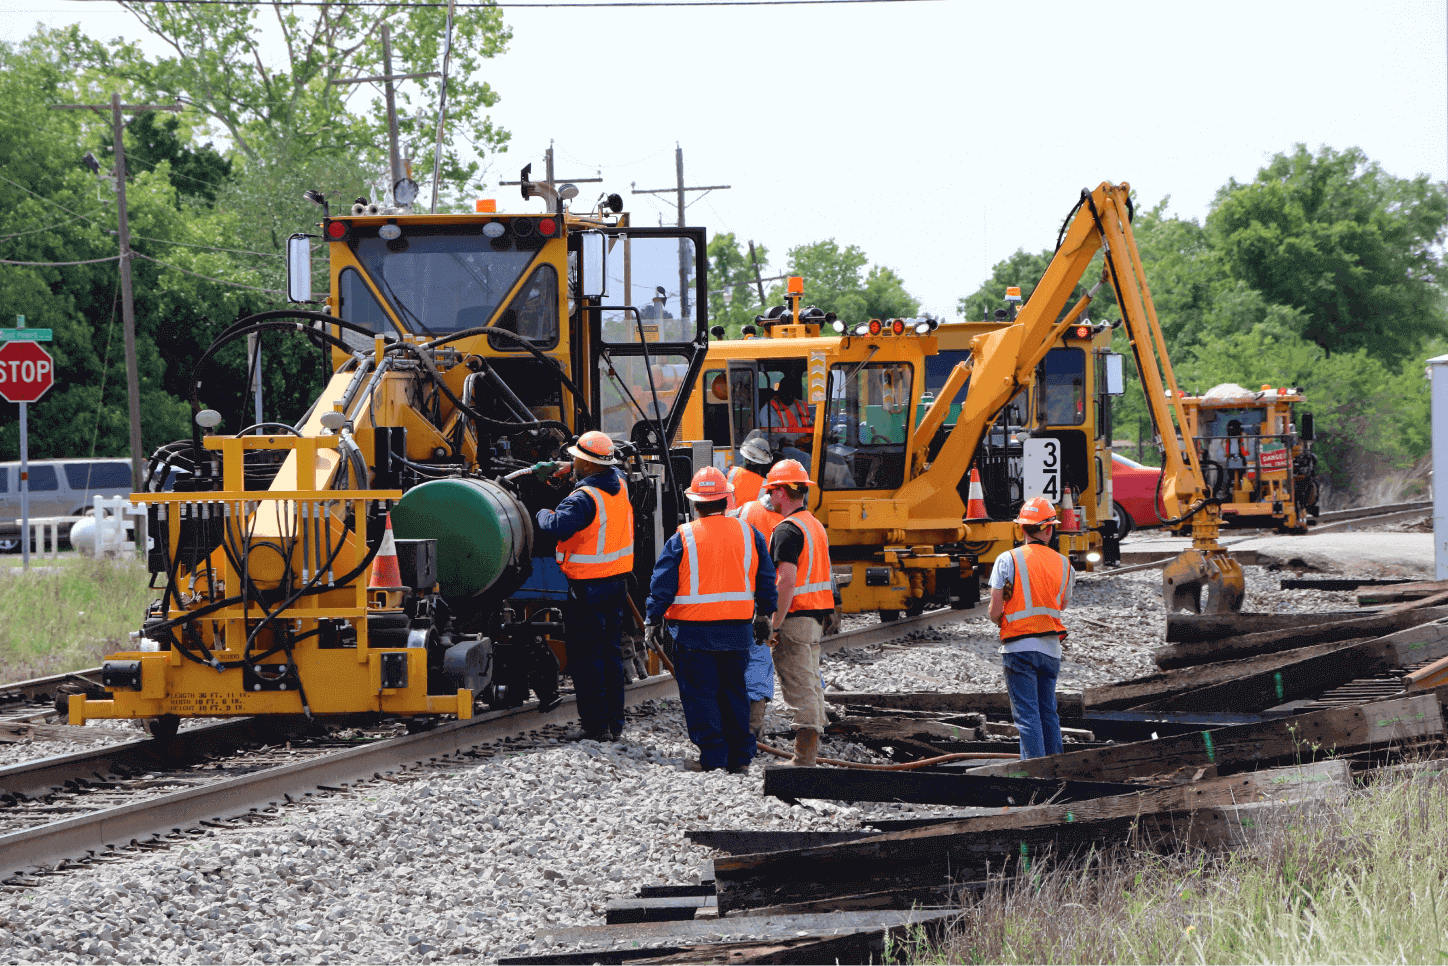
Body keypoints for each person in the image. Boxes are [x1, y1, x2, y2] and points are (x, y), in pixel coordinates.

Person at [645, 467, 777, 773]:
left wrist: (652, 617)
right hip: (736, 632)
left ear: (694, 503)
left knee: (701, 695)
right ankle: (739, 759)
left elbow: (662, 584)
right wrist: (764, 614)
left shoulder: (683, 537)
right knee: (734, 692)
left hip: (694, 634)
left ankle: (714, 758)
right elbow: (766, 579)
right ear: (727, 500)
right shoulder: (749, 533)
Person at [535, 430, 634, 742]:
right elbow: (610, 470)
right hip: (616, 584)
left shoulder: (583, 499)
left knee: (587, 659)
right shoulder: (618, 484)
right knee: (610, 655)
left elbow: (557, 525)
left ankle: (595, 728)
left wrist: (540, 511)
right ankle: (614, 724)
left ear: (589, 465)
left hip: (587, 590)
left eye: (576, 458)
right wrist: (570, 471)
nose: (572, 461)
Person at [987, 495, 1075, 760]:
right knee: (1048, 713)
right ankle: (1057, 772)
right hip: (1051, 650)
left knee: (1028, 718)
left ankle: (1035, 780)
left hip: (1019, 648)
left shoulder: (1007, 559)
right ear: (1049, 529)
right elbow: (1061, 604)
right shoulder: (1064, 564)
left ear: (1022, 528)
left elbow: (994, 611)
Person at [763, 458, 834, 766]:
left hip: (795, 618)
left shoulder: (787, 530)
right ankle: (808, 754)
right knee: (811, 682)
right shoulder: (814, 525)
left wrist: (774, 623)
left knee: (799, 686)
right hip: (815, 617)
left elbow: (786, 580)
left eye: (772, 490)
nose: (769, 496)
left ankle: (803, 760)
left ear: (782, 491)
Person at [731, 483, 787, 737]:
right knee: (758, 661)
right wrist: (766, 613)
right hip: (756, 602)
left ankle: (732, 731)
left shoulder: (744, 511)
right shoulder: (791, 519)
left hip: (729, 604)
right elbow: (769, 575)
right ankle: (752, 730)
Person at [727, 435, 773, 510]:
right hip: (750, 520)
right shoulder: (765, 485)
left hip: (729, 519)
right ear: (761, 464)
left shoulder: (731, 472)